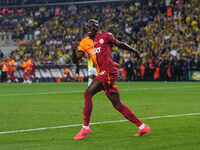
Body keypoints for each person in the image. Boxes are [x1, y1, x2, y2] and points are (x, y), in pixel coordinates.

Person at [72, 19, 150, 140]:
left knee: (88, 93)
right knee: (117, 105)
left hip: (108, 71)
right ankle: (142, 126)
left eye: (91, 27)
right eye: (87, 27)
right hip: (103, 74)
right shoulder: (84, 43)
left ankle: (85, 128)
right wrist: (73, 50)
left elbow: (120, 44)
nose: (88, 29)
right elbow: (76, 60)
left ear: (96, 28)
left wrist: (134, 50)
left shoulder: (106, 36)